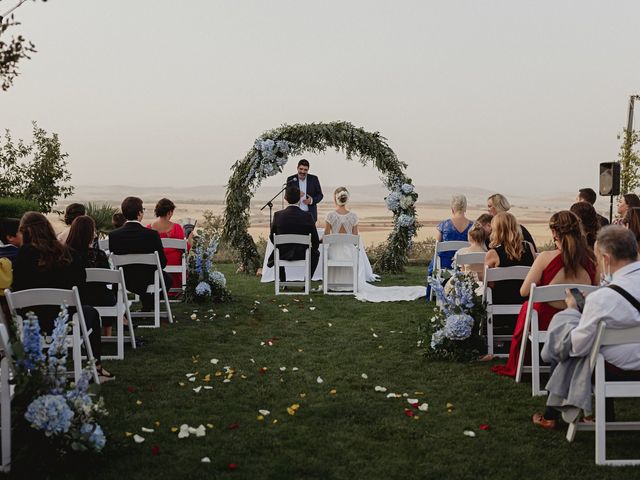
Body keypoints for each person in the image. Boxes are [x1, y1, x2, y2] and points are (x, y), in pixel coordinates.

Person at [533, 226, 640, 429]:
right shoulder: (603, 296)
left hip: (618, 370)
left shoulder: (603, 298)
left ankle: (552, 415)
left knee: (567, 343)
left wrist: (572, 309)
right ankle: (604, 416)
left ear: (606, 259)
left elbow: (578, 347)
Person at [491, 211, 597, 377]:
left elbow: (524, 291)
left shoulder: (546, 257)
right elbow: (595, 292)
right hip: (579, 321)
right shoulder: (592, 260)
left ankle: (529, 361)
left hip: (546, 322)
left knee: (528, 307)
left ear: (554, 232)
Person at [12, 212, 114, 381]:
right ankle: (96, 367)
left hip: (33, 322)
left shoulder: (23, 255)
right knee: (92, 313)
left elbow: (17, 289)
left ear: (25, 232)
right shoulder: (69, 253)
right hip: (66, 321)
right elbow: (81, 287)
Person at [323, 187, 424, 302]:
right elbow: (355, 238)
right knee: (353, 252)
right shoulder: (353, 216)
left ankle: (334, 284)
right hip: (349, 254)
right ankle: (350, 284)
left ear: (335, 199)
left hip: (335, 253)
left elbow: (327, 237)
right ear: (347, 199)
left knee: (330, 252)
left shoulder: (330, 215)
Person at [108, 196, 169, 311]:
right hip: (148, 278)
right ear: (140, 213)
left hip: (124, 279)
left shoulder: (114, 235)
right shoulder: (152, 235)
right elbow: (162, 262)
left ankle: (147, 304)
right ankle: (150, 303)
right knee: (167, 279)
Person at [66, 215, 116, 335]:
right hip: (99, 298)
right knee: (109, 295)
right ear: (90, 234)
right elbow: (107, 279)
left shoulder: (65, 254)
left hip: (75, 298)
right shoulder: (98, 254)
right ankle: (107, 334)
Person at [267, 185, 320, 283]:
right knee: (316, 253)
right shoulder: (308, 216)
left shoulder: (277, 215)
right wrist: (313, 248)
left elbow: (272, 237)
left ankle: (282, 281)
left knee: (276, 250)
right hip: (303, 254)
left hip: (283, 253)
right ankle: (306, 282)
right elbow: (315, 240)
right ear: (300, 198)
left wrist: (280, 246)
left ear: (285, 198)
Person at [484, 212, 536, 304]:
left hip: (500, 306)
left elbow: (489, 285)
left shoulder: (492, 254)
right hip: (525, 304)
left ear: (497, 231)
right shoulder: (529, 247)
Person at [146, 198, 190, 294]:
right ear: (169, 212)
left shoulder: (149, 228)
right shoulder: (177, 228)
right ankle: (177, 290)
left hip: (156, 262)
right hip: (174, 262)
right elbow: (186, 248)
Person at [427, 194, 473, 281]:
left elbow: (437, 245)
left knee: (435, 260)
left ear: (452, 208)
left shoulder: (444, 225)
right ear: (465, 208)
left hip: (444, 265)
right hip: (464, 265)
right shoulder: (473, 227)